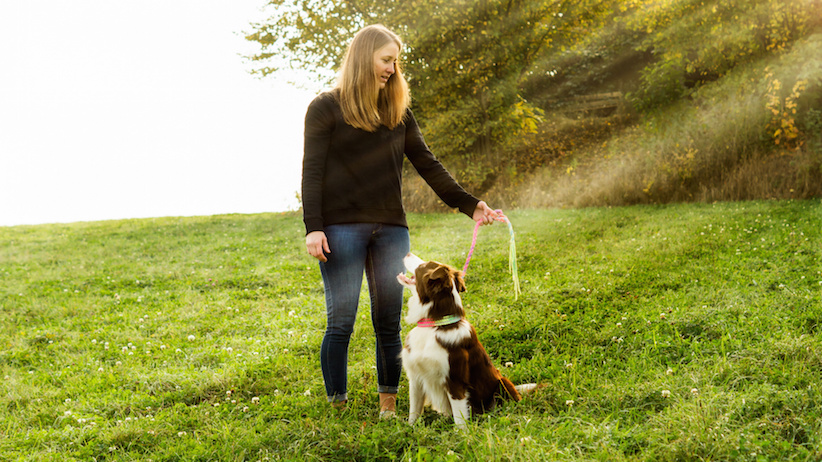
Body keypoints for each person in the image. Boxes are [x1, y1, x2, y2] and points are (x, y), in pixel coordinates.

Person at [301, 24, 498, 418]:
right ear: (363, 58)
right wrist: (314, 226)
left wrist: (469, 204)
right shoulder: (325, 107)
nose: (393, 68)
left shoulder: (398, 113)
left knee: (388, 323)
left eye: (396, 61)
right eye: (386, 59)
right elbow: (312, 171)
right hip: (340, 228)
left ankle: (388, 407)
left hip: (391, 228)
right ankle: (337, 408)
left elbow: (428, 165)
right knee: (340, 322)